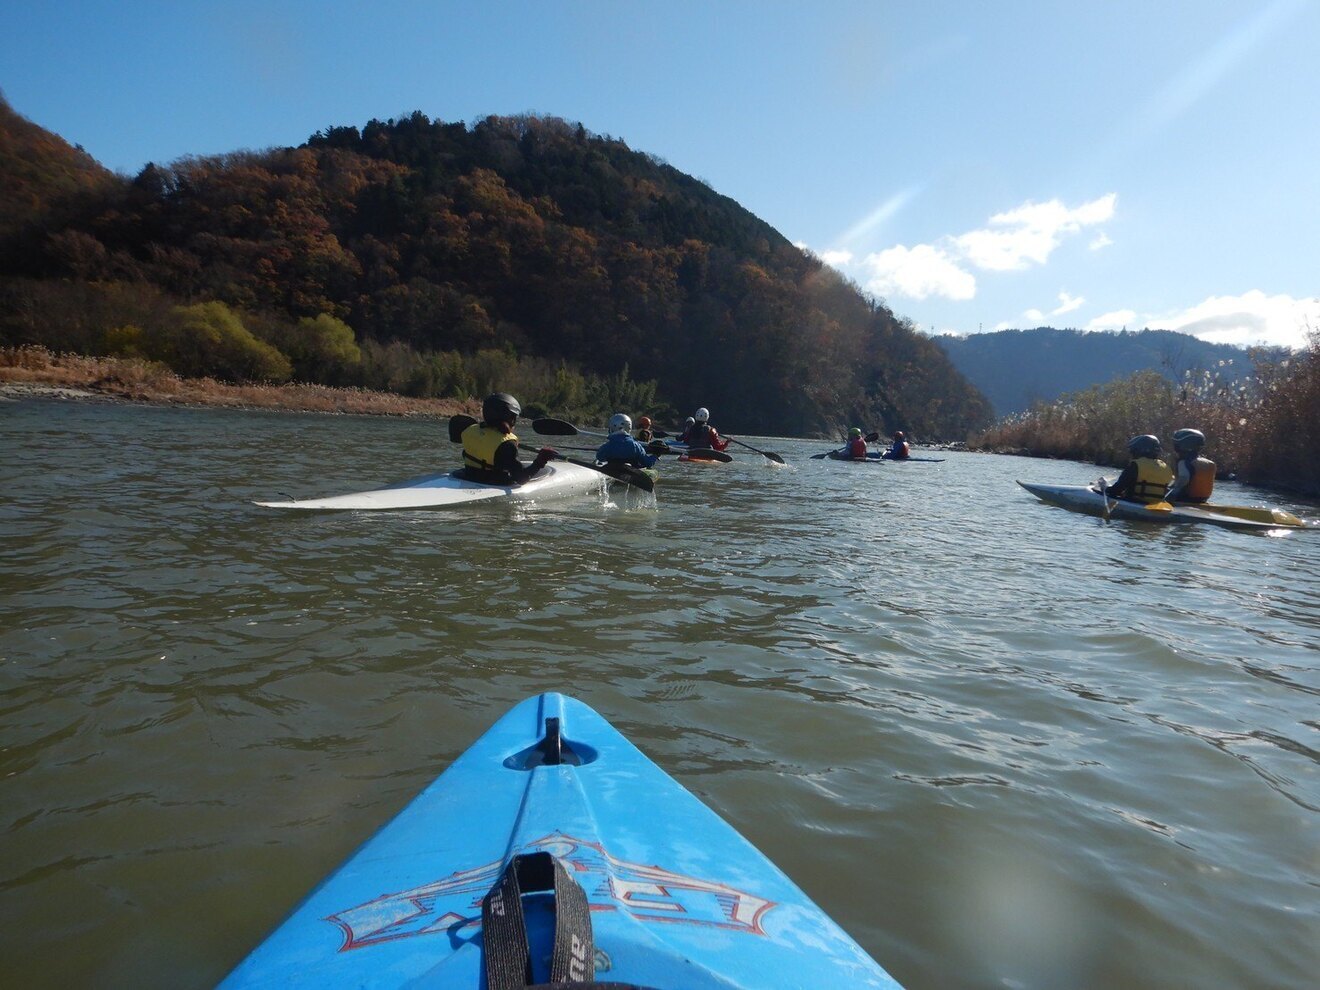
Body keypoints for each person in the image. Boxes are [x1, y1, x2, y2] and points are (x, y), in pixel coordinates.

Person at [460, 392, 557, 485]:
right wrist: (541, 460)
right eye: (514, 416)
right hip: (493, 484)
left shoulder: (470, 430)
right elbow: (521, 478)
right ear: (509, 417)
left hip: (469, 477)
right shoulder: (507, 444)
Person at [1101, 434, 1174, 504]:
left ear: (1139, 450)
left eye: (1133, 451)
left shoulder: (1135, 465)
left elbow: (1117, 490)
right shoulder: (1166, 468)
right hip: (1157, 506)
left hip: (1134, 502)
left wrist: (1105, 488)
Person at [596, 413, 663, 469]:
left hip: (612, 470)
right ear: (629, 428)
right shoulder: (636, 446)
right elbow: (647, 463)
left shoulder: (606, 446)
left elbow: (599, 457)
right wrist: (656, 455)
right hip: (631, 471)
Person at [1165, 428, 1215, 503]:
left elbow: (1184, 478)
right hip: (1202, 500)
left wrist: (1172, 494)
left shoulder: (1183, 462)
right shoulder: (1210, 463)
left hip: (1184, 499)